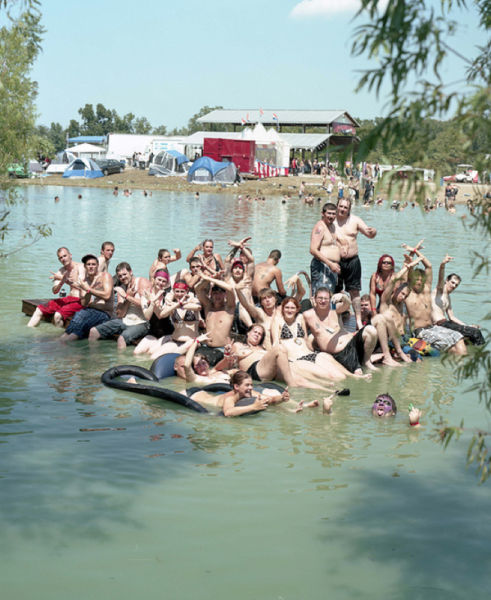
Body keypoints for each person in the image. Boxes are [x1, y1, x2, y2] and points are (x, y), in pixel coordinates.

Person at [272, 296, 361, 384]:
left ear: (297, 309)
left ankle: (353, 376)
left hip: (309, 354)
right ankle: (332, 389)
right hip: (297, 359)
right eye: (287, 307)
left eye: (292, 308)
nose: (289, 310)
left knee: (341, 377)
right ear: (282, 309)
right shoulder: (278, 321)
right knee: (332, 378)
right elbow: (275, 343)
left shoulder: (300, 318)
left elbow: (305, 339)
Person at [404, 246, 467, 355]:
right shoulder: (409, 292)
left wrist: (416, 251)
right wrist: (412, 258)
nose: (419, 282)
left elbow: (428, 266)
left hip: (433, 328)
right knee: (453, 349)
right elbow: (408, 271)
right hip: (420, 332)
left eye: (421, 279)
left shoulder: (426, 288)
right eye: (416, 279)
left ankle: (463, 365)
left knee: (459, 337)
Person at [302, 288, 376, 376]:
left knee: (371, 330)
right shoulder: (307, 315)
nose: (323, 301)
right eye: (320, 298)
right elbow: (304, 337)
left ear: (330, 299)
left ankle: (366, 361)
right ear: (314, 299)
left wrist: (343, 297)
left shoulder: (334, 309)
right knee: (358, 374)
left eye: (326, 298)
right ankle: (358, 367)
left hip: (353, 344)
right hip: (339, 354)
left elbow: (347, 304)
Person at [232, 324, 317, 388]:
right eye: (255, 332)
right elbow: (236, 356)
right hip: (254, 370)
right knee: (279, 349)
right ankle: (292, 386)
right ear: (248, 333)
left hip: (270, 369)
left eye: (260, 334)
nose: (257, 334)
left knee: (300, 379)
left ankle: (327, 389)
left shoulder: (262, 348)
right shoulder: (238, 344)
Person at [335, 197, 377, 329]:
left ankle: (358, 321)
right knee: (334, 291)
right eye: (340, 206)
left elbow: (369, 234)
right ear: (337, 206)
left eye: (345, 207)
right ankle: (334, 319)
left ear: (349, 209)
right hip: (335, 262)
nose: (342, 209)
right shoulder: (330, 221)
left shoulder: (355, 220)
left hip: (352, 261)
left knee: (354, 291)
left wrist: (373, 232)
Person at [88, 262, 151, 350]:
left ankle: (122, 362)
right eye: (120, 276)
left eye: (124, 274)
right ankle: (94, 359)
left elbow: (147, 304)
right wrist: (127, 299)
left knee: (121, 339)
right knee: (93, 331)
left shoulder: (141, 282)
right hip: (125, 320)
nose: (123, 277)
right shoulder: (121, 289)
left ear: (131, 272)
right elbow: (120, 314)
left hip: (142, 322)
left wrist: (127, 296)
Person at [134, 279, 201, 359]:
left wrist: (178, 305)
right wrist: (173, 304)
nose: (179, 294)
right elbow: (162, 314)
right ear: (173, 291)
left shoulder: (193, 300)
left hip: (190, 341)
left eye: (182, 291)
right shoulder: (171, 304)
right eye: (177, 291)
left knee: (170, 357)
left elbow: (198, 307)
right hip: (175, 340)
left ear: (186, 291)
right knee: (153, 357)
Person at [431, 254, 484, 346]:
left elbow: (452, 317)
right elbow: (440, 277)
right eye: (452, 282)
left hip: (447, 322)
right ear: (446, 280)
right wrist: (442, 264)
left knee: (473, 332)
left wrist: (466, 326)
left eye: (456, 285)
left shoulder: (448, 297)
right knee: (475, 333)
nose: (454, 286)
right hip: (440, 324)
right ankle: (481, 355)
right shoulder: (439, 290)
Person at [60, 254, 114, 341]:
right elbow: (84, 303)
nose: (91, 267)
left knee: (77, 330)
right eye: (88, 264)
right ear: (85, 266)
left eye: (93, 264)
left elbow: (107, 295)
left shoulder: (105, 276)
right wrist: (87, 291)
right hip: (89, 311)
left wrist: (89, 289)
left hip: (104, 313)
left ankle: (64, 345)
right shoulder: (86, 281)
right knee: (73, 324)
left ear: (97, 266)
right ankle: (61, 342)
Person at [28, 247, 85, 328]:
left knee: (57, 315)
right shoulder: (61, 271)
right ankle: (27, 335)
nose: (63, 259)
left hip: (81, 301)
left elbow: (83, 287)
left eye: (65, 256)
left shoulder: (81, 267)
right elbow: (54, 291)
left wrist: (63, 279)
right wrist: (61, 283)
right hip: (69, 298)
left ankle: (58, 338)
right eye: (60, 258)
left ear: (70, 255)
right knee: (39, 310)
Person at [309, 202, 341, 295]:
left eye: (334, 213)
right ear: (323, 213)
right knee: (322, 295)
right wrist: (330, 264)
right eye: (329, 213)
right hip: (322, 266)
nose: (331, 216)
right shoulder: (320, 227)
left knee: (329, 295)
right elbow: (313, 249)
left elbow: (332, 242)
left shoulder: (332, 226)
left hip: (332, 267)